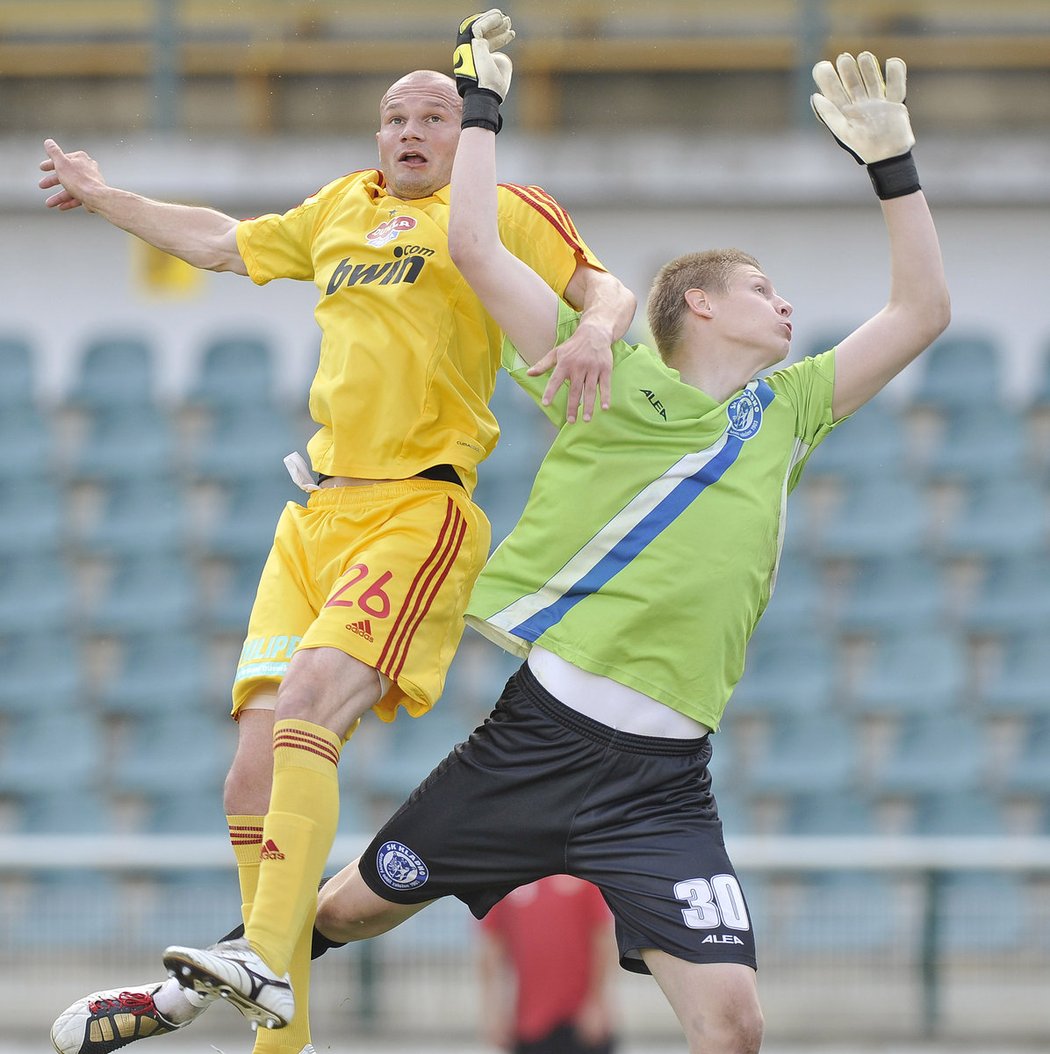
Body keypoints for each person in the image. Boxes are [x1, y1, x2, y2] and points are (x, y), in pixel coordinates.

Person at [57, 26, 950, 1054]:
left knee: (735, 1026)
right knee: (346, 910)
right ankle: (189, 993)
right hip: (537, 740)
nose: (787, 304)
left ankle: (211, 981)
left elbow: (922, 309)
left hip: (663, 782)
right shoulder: (604, 375)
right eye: (763, 288)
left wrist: (894, 168)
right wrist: (480, 110)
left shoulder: (789, 409)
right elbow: (473, 248)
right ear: (698, 303)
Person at [46, 12, 636, 1054]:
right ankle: (283, 1032)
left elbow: (606, 285)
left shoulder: (494, 215)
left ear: (469, 134)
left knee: (316, 698)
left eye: (437, 115)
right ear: (376, 138)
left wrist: (593, 331)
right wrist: (105, 198)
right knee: (247, 777)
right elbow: (222, 242)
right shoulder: (336, 211)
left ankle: (265, 956)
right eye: (395, 118)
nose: (412, 131)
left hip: (419, 508)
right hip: (315, 513)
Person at [479, 875, 619, 1054]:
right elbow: (492, 946)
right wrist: (493, 1009)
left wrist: (598, 1002)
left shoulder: (581, 875)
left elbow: (603, 940)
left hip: (578, 1020)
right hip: (529, 1023)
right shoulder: (507, 879)